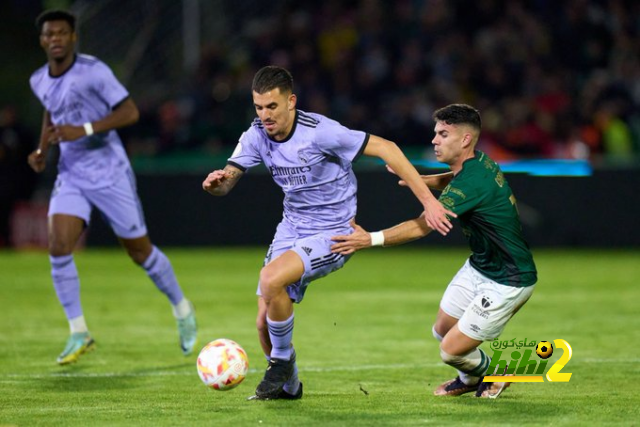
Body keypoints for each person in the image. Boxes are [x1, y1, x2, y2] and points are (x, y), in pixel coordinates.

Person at [202, 65, 455, 400]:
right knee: (264, 322)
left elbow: (388, 148)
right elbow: (228, 181)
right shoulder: (255, 135)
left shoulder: (321, 132)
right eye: (259, 107)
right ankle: (288, 386)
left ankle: (278, 363)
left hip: (335, 232)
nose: (265, 115)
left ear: (291, 101)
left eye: (272, 107)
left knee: (270, 279)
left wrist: (429, 201)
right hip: (290, 230)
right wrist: (216, 185)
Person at [331, 104, 537, 399]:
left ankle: (497, 373)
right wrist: (418, 181)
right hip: (480, 266)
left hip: (509, 279)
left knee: (450, 351)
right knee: (442, 329)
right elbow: (452, 181)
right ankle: (469, 379)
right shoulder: (477, 163)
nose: (434, 140)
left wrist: (370, 240)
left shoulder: (474, 180)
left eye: (443, 134)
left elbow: (423, 225)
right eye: (435, 133)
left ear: (465, 139)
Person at [27, 10, 197, 365]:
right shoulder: (39, 79)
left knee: (140, 253)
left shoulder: (94, 71)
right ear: (42, 40)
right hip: (72, 173)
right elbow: (51, 110)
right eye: (49, 34)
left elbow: (130, 112)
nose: (55, 38)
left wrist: (85, 129)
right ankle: (78, 331)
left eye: (62, 32)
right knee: (58, 245)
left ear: (73, 38)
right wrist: (44, 150)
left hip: (109, 172)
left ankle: (182, 308)